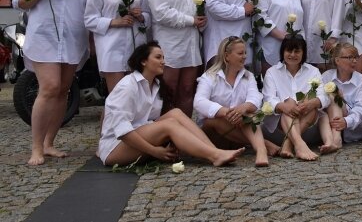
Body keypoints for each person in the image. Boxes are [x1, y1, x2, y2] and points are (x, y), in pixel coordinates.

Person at [12, 0, 94, 165]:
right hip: (44, 37)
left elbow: (91, 7)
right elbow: (17, 0)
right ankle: (36, 147)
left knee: (63, 91)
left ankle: (49, 143)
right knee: (49, 87)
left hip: (73, 38)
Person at [98, 42, 244, 167]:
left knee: (176, 114)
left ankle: (213, 151)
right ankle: (215, 155)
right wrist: (154, 151)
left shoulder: (155, 85)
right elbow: (123, 132)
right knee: (169, 124)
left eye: (163, 57)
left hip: (139, 134)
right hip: (115, 147)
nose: (163, 61)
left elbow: (149, 122)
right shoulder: (127, 86)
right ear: (143, 61)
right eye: (157, 57)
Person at [194, 37, 279, 166]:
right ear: (227, 56)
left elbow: (256, 98)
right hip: (212, 136)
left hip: (237, 132)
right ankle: (265, 144)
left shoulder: (248, 76)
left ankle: (261, 151)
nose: (244, 56)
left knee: (249, 114)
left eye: (245, 53)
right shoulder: (210, 76)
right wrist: (225, 112)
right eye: (240, 53)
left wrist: (243, 108)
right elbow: (199, 102)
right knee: (214, 120)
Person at [148, 0, 204, 117]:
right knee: (168, 90)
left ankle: (185, 133)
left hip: (190, 44)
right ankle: (165, 134)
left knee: (187, 90)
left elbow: (196, 11)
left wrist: (201, 20)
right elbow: (160, 13)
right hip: (170, 44)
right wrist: (191, 20)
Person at [85, 0, 151, 93]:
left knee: (135, 98)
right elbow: (89, 20)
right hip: (112, 48)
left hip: (136, 48)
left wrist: (140, 16)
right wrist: (115, 22)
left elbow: (148, 16)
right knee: (117, 99)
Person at [261, 35, 332, 161]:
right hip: (279, 125)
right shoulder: (272, 72)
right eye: (289, 50)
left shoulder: (313, 71)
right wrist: (284, 106)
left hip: (307, 121)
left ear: (303, 53)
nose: (293, 54)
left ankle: (289, 143)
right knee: (289, 103)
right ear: (283, 51)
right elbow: (268, 99)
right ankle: (299, 144)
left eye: (297, 51)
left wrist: (312, 103)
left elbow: (324, 96)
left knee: (312, 105)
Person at [257, 0, 304, 72]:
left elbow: (300, 20)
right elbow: (260, 17)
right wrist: (282, 36)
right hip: (273, 46)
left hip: (293, 49)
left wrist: (299, 41)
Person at [321, 43, 362, 148]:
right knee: (332, 97)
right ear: (337, 60)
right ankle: (333, 140)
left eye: (356, 57)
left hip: (352, 129)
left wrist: (346, 121)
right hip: (329, 125)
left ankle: (335, 140)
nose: (354, 61)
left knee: (335, 97)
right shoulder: (326, 77)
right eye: (350, 57)